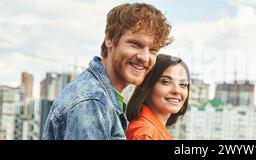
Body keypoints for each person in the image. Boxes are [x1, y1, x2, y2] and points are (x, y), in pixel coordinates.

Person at [42, 3, 173, 140]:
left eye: (153, 50)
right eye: (135, 44)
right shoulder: (92, 103)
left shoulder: (103, 97)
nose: (145, 58)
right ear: (110, 39)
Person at [126, 54, 190, 140]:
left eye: (183, 84)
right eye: (166, 81)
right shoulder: (145, 134)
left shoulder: (153, 130)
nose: (177, 91)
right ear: (148, 85)